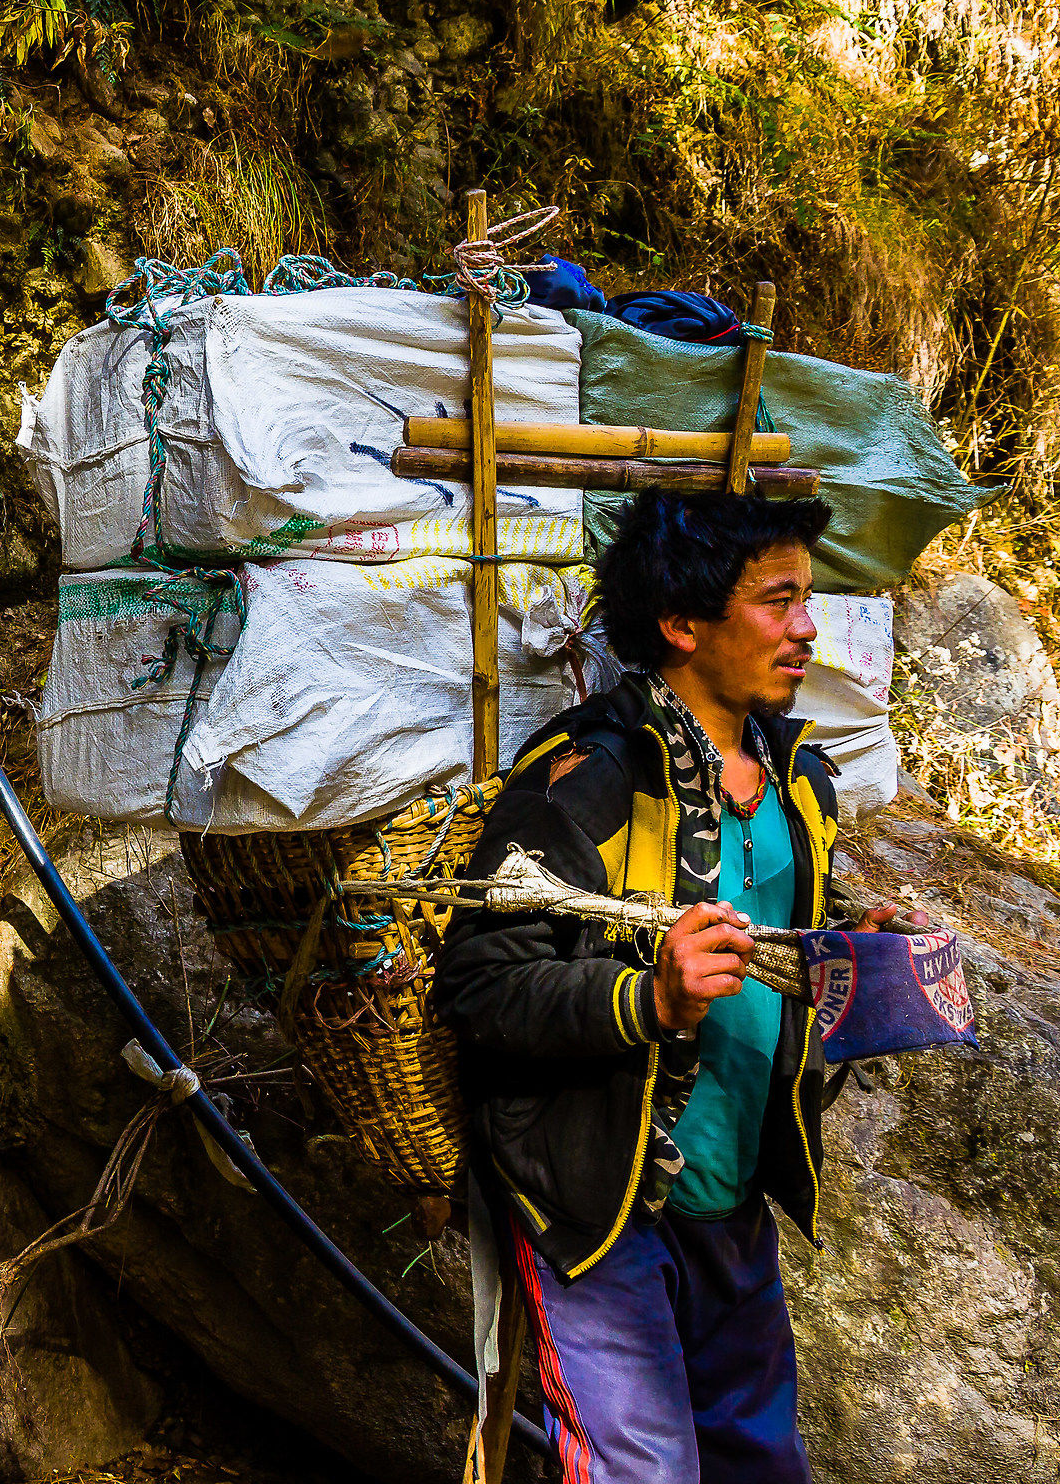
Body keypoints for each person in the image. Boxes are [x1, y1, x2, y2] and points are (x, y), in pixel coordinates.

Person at [435, 487, 925, 1484]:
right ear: (681, 623)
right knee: (644, 1470)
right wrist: (648, 1002)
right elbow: (479, 985)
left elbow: (770, 935)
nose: (806, 625)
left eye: (807, 597)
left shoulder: (800, 781)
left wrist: (849, 951)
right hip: (597, 1203)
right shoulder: (588, 778)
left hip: (731, 1198)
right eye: (777, 600)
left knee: (760, 1464)